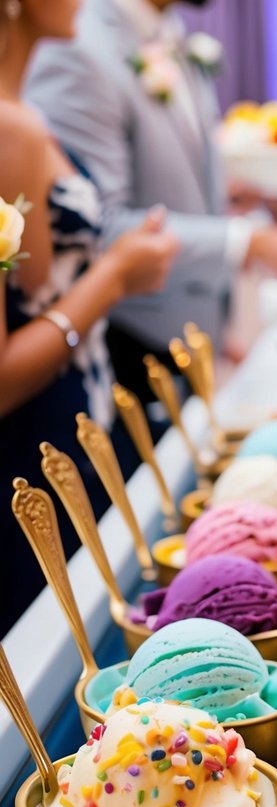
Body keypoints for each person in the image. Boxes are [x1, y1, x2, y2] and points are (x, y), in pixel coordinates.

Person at [0, 0, 179, 639]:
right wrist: (114, 277)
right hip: (33, 451)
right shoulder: (8, 128)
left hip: (77, 422)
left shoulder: (25, 116)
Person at [26, 0, 277, 406]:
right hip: (124, 349)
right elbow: (96, 224)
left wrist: (230, 194)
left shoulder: (167, 31)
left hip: (186, 339)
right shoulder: (76, 46)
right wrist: (249, 240)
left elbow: (166, 179)